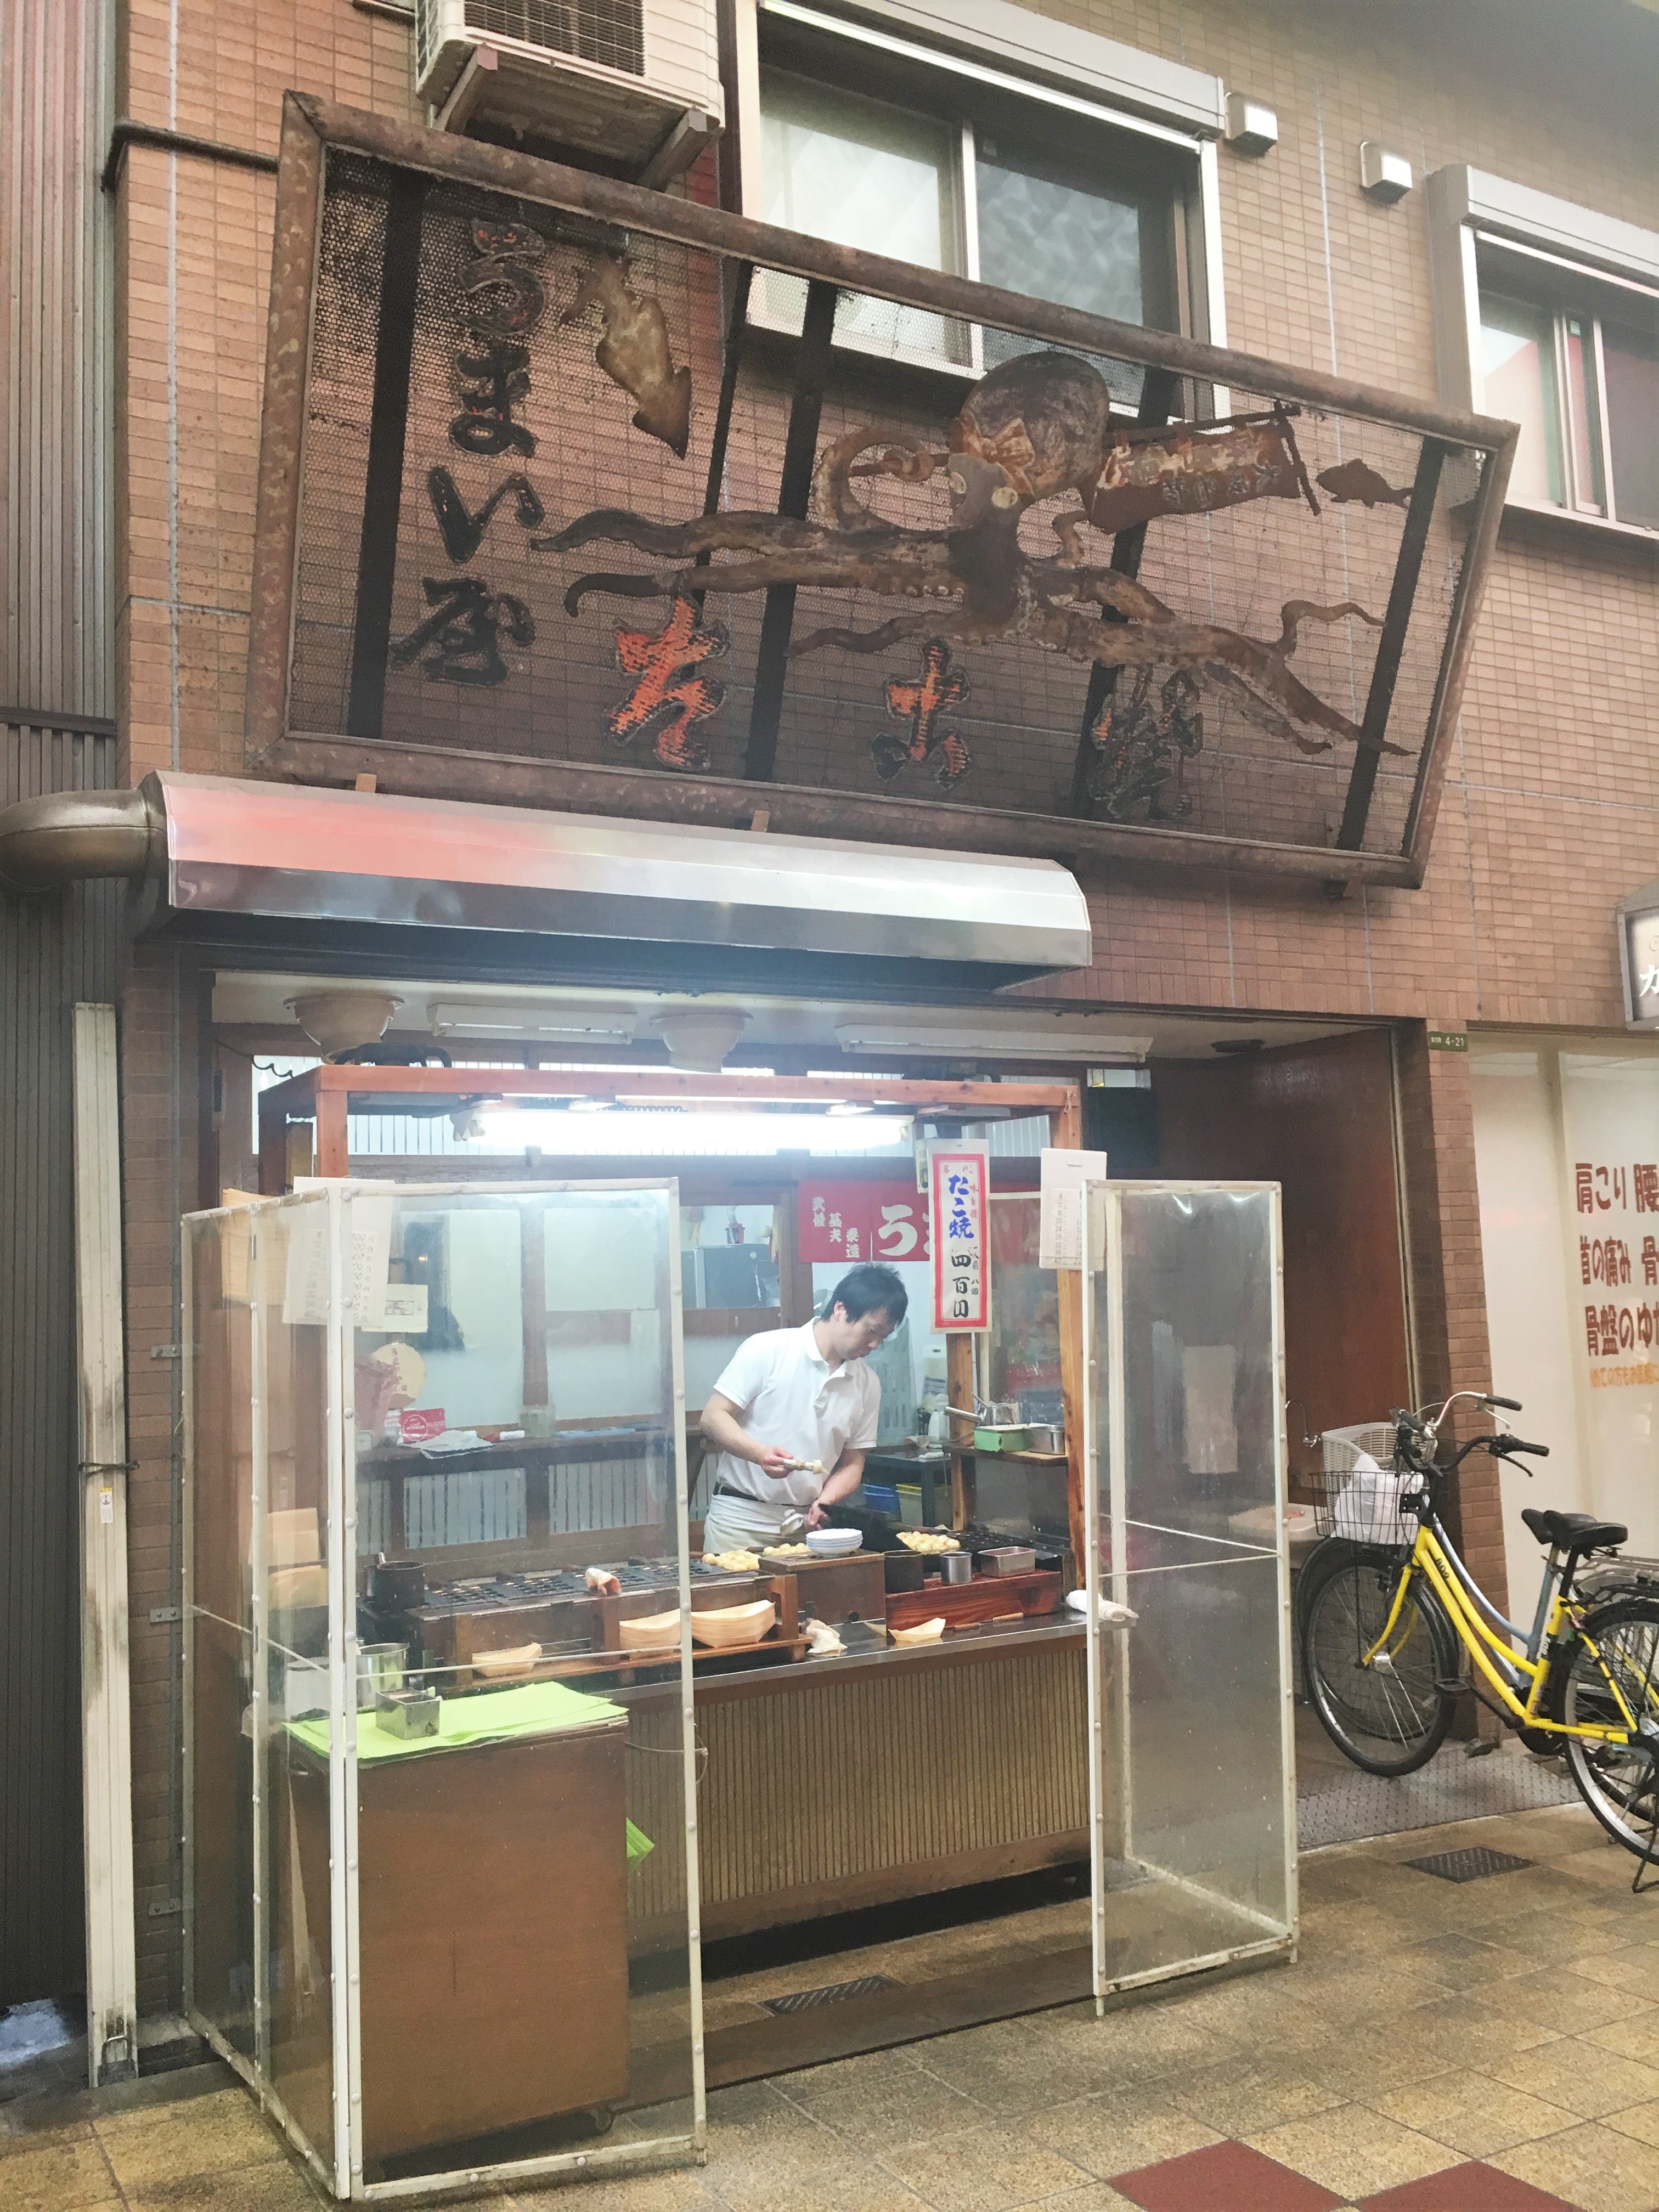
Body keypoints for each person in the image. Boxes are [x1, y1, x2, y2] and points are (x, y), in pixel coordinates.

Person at [698, 1262, 907, 1556]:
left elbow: (853, 1462)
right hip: (740, 1520)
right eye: (871, 1331)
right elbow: (713, 1416)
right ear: (840, 1309)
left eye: (883, 1337)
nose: (874, 1344)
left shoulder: (867, 1383)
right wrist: (760, 1454)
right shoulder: (768, 1349)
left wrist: (825, 1503)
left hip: (807, 1531)